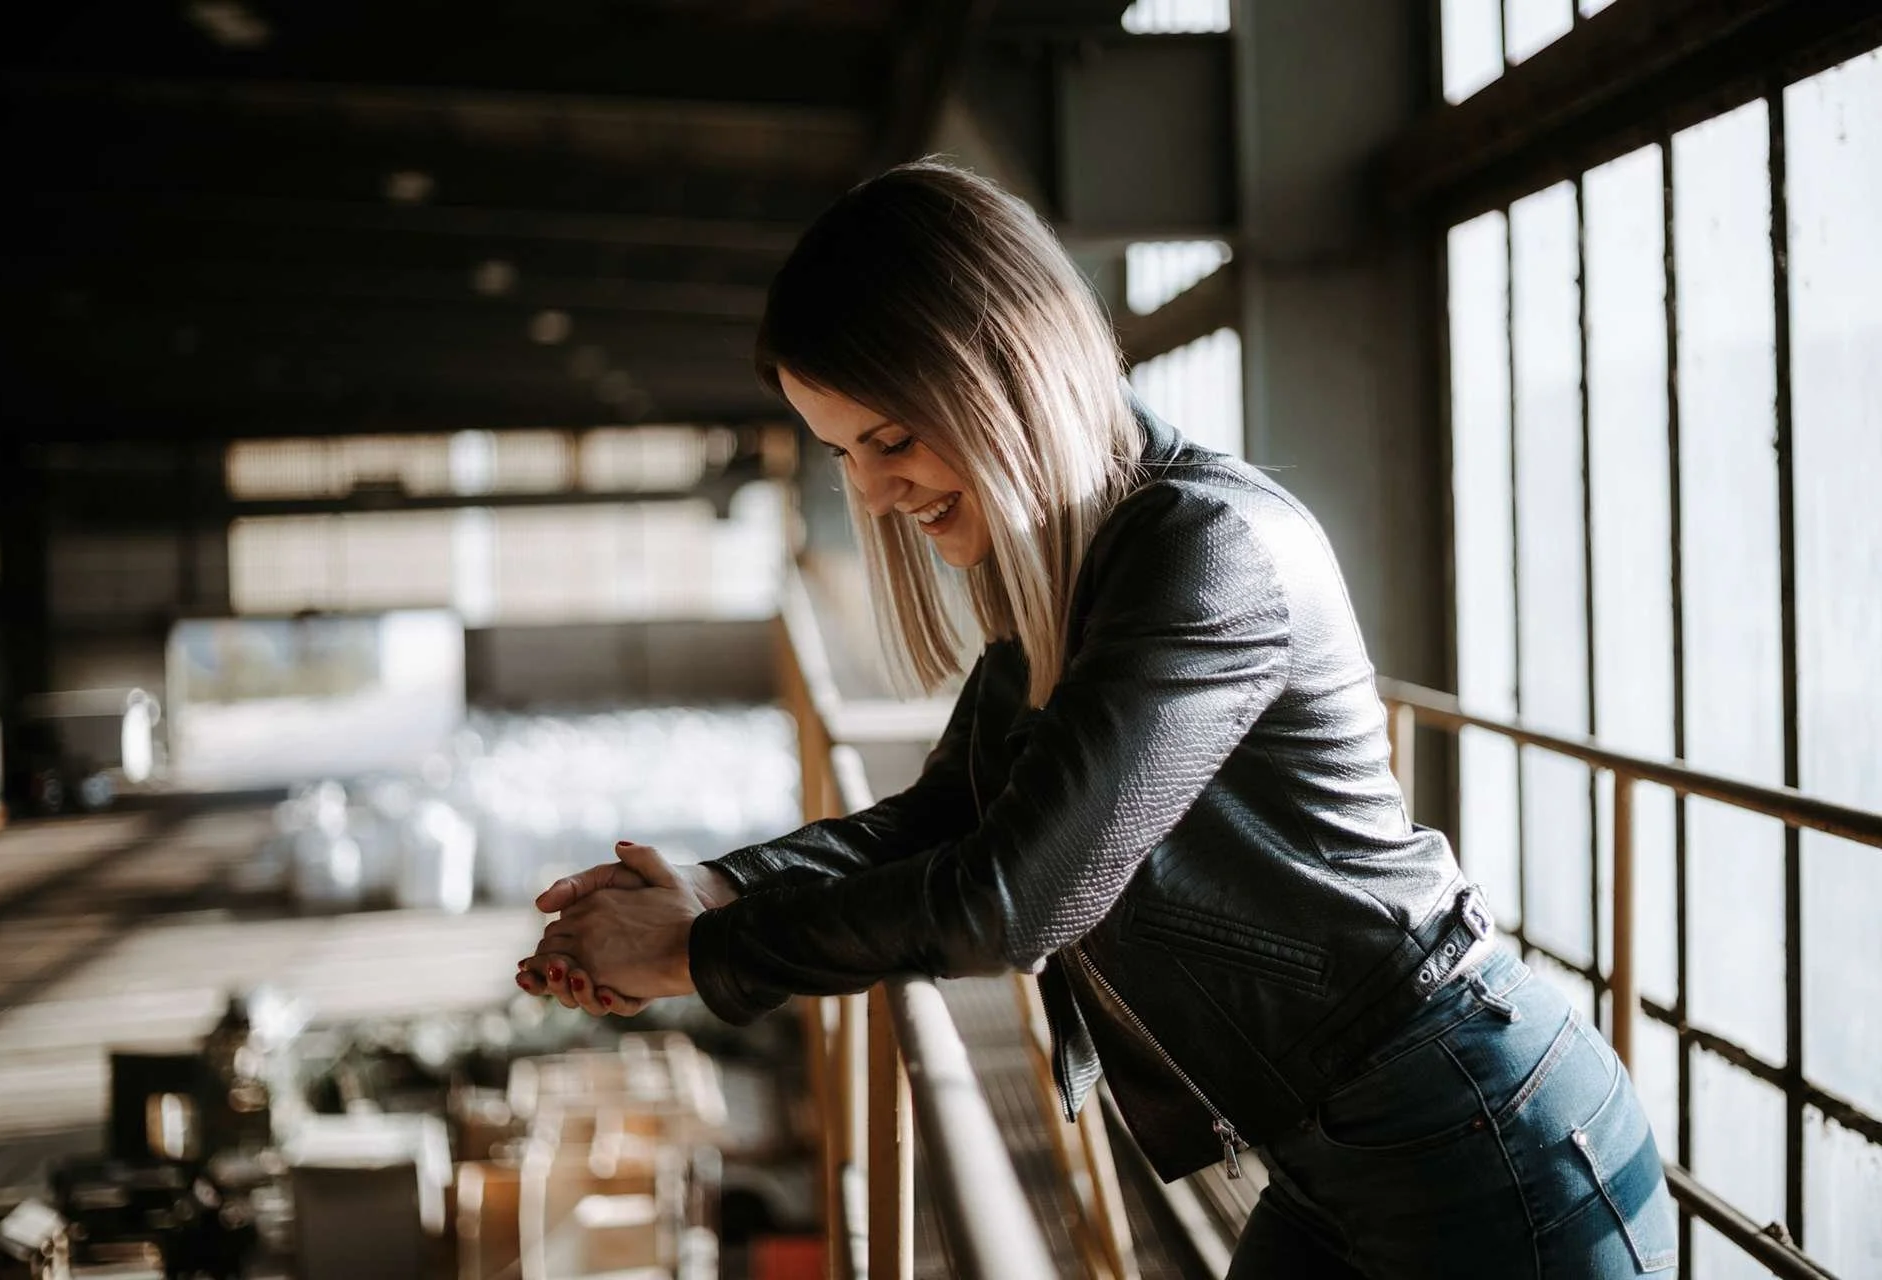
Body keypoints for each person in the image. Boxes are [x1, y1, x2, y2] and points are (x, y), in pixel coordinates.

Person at [516, 162, 1677, 1279]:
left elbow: (1014, 895)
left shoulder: (1200, 549)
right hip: (1353, 1139)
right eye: (840, 452)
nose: (871, 492)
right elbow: (941, 814)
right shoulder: (1083, 562)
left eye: (892, 439)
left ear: (1002, 376)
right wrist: (709, 889)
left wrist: (705, 953)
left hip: (1478, 1136)